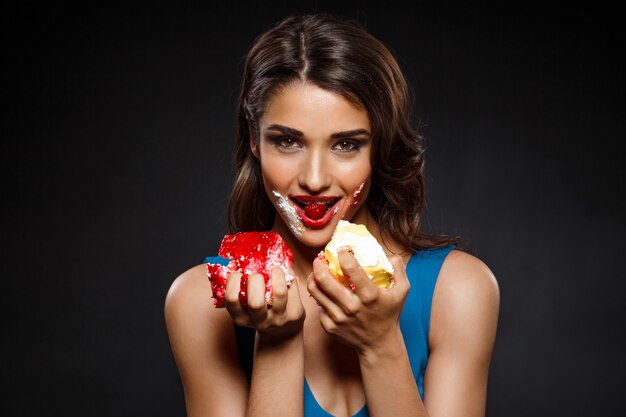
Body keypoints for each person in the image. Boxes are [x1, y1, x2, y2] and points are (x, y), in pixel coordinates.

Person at [164, 13, 499, 417]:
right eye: (288, 141)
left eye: (346, 144)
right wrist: (279, 340)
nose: (315, 179)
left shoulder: (457, 291)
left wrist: (380, 345)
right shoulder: (202, 303)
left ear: (379, 147)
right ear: (254, 141)